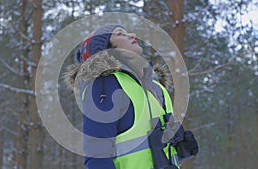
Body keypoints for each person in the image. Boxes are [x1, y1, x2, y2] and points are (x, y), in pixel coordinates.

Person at [65, 24, 198, 169]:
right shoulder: (105, 84)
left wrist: (178, 151)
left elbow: (148, 151)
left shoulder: (157, 87)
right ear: (105, 49)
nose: (133, 35)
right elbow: (97, 156)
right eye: (120, 34)